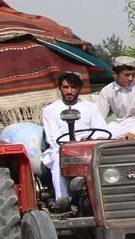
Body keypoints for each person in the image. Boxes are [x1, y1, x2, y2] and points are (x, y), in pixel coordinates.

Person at [42, 72, 109, 208]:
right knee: (57, 158)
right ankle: (63, 200)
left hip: (87, 150)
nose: (69, 91)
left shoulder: (91, 108)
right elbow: (53, 138)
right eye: (65, 87)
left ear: (79, 89)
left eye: (73, 87)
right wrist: (70, 149)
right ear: (60, 88)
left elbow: (101, 131)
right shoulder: (50, 110)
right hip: (62, 149)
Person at [96, 56, 135, 139]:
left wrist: (134, 131)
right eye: (127, 75)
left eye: (133, 75)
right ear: (115, 74)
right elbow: (98, 116)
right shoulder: (106, 91)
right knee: (100, 135)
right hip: (119, 125)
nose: (130, 78)